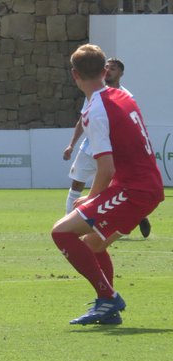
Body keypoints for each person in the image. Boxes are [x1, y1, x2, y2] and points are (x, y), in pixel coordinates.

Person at [51, 44, 164, 325]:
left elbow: (106, 167)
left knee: (61, 233)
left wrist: (91, 198)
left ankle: (109, 298)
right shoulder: (122, 96)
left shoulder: (96, 111)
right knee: (92, 245)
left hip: (133, 189)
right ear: (104, 71)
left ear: (74, 74)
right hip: (145, 186)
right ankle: (107, 307)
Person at [62, 58, 152, 237]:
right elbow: (83, 119)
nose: (109, 70)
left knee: (116, 187)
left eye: (114, 68)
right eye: (107, 67)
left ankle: (129, 218)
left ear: (121, 73)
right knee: (77, 183)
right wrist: (71, 144)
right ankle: (69, 220)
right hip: (90, 147)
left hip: (113, 151)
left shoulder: (126, 96)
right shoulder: (93, 93)